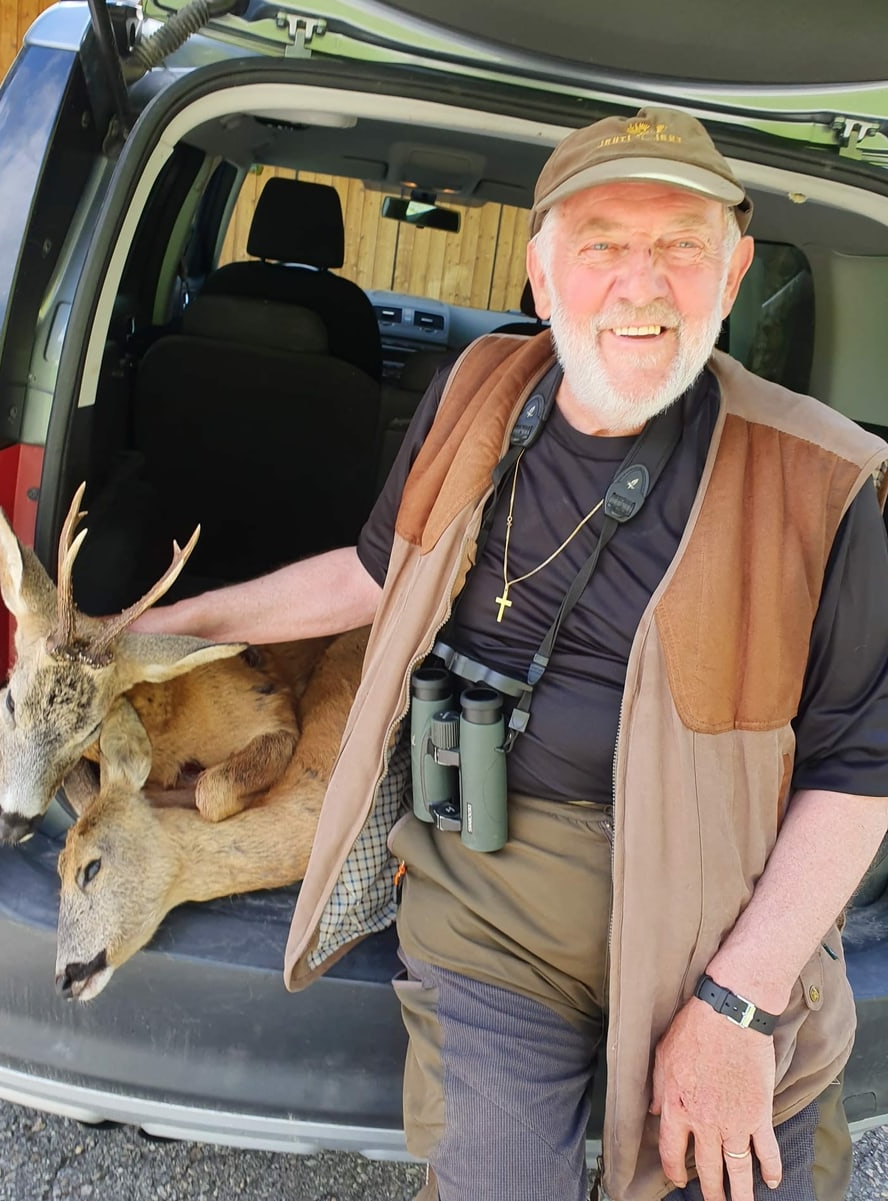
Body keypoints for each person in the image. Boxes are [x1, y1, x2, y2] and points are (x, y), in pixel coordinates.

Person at [133, 107, 888, 1201]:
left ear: (733, 279)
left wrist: (736, 1005)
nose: (642, 285)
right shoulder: (479, 387)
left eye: (682, 247)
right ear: (542, 275)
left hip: (722, 897)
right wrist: (189, 623)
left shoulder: (824, 479)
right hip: (492, 891)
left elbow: (859, 773)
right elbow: (376, 571)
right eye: (603, 246)